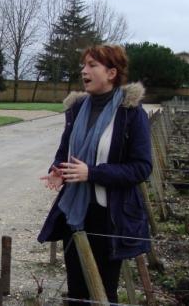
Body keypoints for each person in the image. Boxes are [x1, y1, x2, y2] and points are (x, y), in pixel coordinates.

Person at [37, 44, 152, 304]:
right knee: (77, 292)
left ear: (112, 73)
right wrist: (57, 171)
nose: (83, 70)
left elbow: (142, 167)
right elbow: (64, 153)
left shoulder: (130, 113)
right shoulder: (77, 109)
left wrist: (92, 173)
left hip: (109, 216)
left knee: (103, 292)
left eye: (92, 65)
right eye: (84, 65)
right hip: (74, 213)